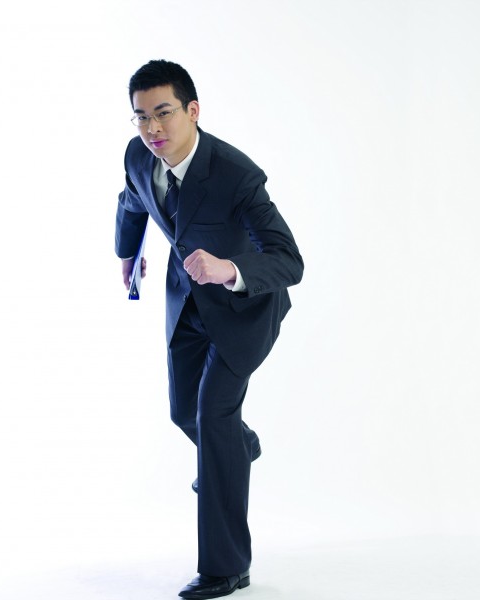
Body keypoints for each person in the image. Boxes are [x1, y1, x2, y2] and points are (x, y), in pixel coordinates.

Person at [114, 59, 304, 599]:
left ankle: (227, 568)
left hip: (245, 310)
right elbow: (133, 199)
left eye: (164, 113)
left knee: (214, 418)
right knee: (185, 412)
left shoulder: (236, 174)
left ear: (193, 110)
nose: (152, 128)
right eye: (141, 116)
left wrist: (230, 269)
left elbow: (289, 260)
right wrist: (127, 253)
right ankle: (238, 448)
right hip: (187, 303)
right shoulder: (139, 155)